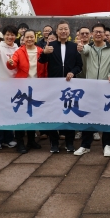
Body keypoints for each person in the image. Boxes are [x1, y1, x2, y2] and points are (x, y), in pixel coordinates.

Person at [39, 20, 82, 153]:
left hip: (70, 85)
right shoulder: (50, 45)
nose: (63, 31)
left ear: (69, 31)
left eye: (66, 29)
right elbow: (41, 61)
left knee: (70, 113)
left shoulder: (74, 46)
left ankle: (69, 142)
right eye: (61, 29)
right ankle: (54, 143)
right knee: (53, 113)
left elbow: (79, 65)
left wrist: (72, 72)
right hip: (53, 85)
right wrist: (44, 52)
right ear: (56, 31)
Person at [76, 23, 110, 156]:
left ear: (105, 34)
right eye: (95, 32)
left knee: (107, 117)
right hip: (91, 88)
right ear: (92, 34)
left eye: (101, 32)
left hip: (107, 88)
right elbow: (83, 51)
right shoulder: (88, 47)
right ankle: (85, 145)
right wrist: (80, 48)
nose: (98, 34)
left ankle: (107, 145)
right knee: (88, 116)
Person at [7, 29, 47, 153]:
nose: (29, 39)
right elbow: (12, 64)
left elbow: (45, 68)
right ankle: (20, 142)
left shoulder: (41, 51)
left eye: (31, 37)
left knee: (32, 114)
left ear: (35, 38)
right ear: (23, 39)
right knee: (20, 114)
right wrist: (10, 63)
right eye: (27, 37)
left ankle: (31, 141)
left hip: (37, 86)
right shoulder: (19, 51)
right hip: (22, 87)